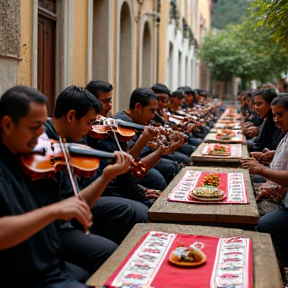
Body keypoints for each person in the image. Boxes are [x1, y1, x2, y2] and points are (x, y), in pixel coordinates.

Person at [0, 85, 133, 288]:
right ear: (8, 125)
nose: (41, 135)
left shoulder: (34, 161)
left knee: (115, 269)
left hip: (50, 263)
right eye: (35, 126)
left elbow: (70, 205)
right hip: (26, 276)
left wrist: (107, 176)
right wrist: (53, 211)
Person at [44, 85, 149, 274]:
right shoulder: (45, 149)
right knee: (109, 249)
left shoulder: (68, 141)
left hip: (67, 218)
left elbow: (77, 201)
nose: (91, 128)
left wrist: (109, 174)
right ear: (71, 117)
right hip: (50, 230)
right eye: (89, 122)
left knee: (133, 213)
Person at [247, 88, 281, 152]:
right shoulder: (266, 119)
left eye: (259, 104)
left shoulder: (277, 123)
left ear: (271, 104)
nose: (255, 108)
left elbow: (265, 149)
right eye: (254, 104)